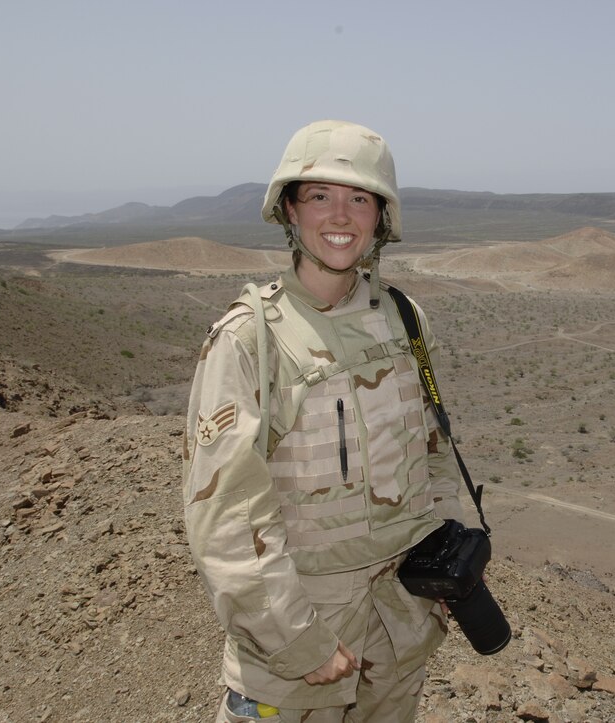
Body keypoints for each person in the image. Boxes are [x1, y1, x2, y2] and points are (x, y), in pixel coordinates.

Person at [183, 120, 465, 722]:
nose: (340, 216)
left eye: (359, 198)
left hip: (400, 623)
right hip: (301, 635)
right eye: (319, 196)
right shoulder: (248, 338)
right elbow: (224, 511)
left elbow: (434, 454)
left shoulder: (403, 319)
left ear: (380, 217)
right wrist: (296, 640)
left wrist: (442, 571)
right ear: (289, 209)